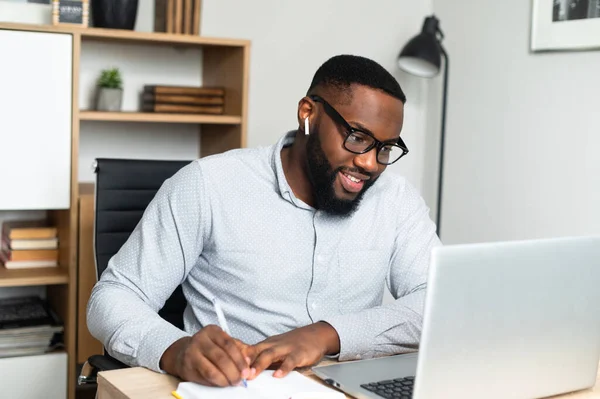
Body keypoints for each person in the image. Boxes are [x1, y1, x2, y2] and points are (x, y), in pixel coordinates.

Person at [87, 54, 441, 388]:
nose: (370, 164)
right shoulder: (208, 184)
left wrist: (327, 334)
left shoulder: (396, 199)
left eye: (385, 148)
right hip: (238, 387)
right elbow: (115, 296)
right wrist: (174, 349)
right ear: (308, 113)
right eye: (357, 137)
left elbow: (438, 302)